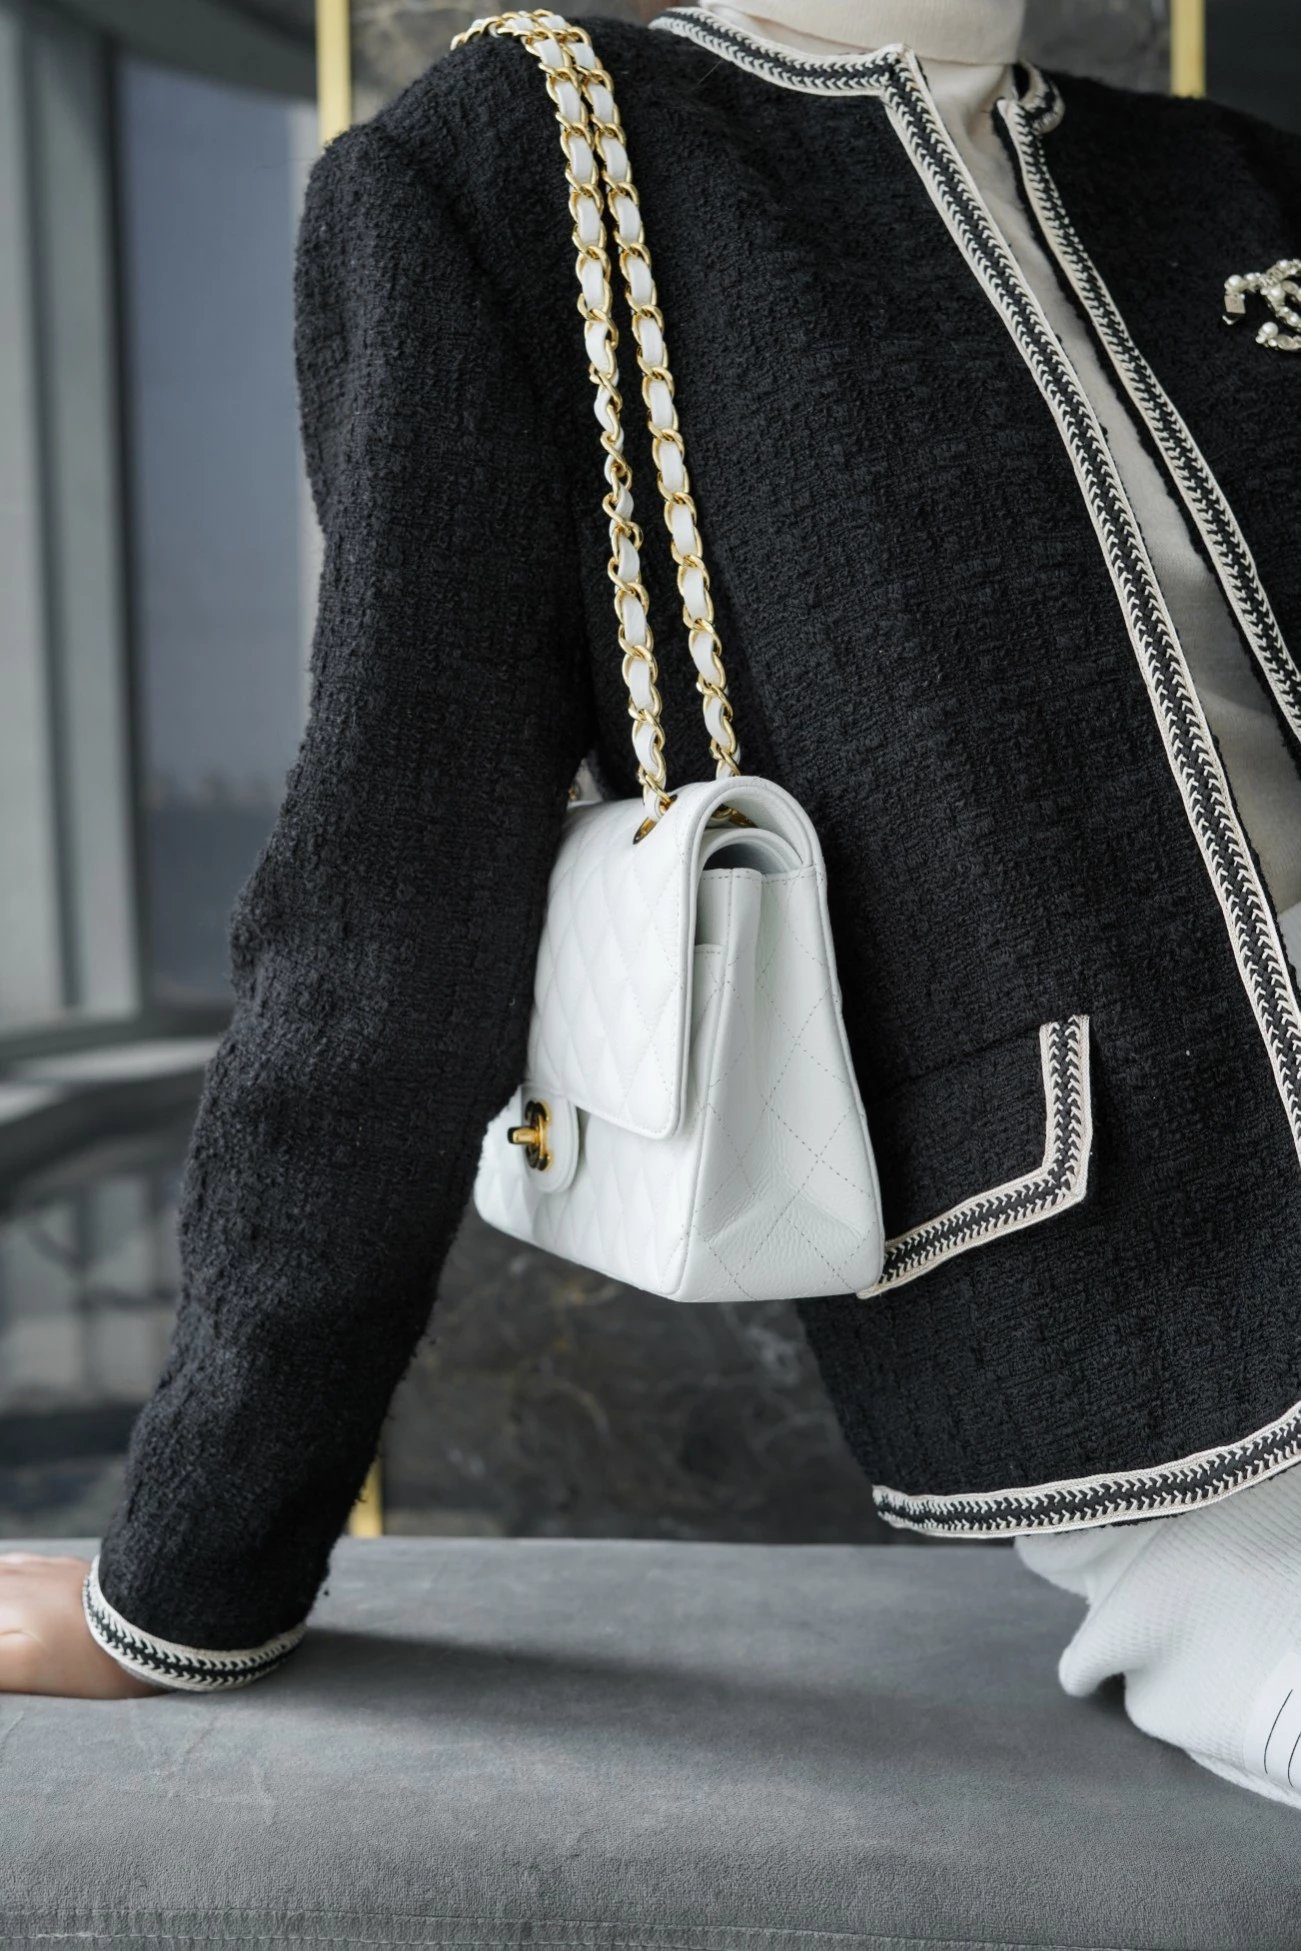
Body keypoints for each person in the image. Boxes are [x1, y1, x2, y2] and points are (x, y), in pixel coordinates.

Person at [4, 0, 1301, 1810]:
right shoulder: (537, 156)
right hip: (1187, 1346)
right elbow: (397, 888)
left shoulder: (1230, 179)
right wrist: (188, 1573)